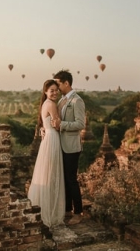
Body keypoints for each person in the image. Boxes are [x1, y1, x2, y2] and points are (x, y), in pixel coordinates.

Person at [27, 79, 66, 228]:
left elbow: (48, 123)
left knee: (47, 173)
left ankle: (45, 209)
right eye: (52, 90)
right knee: (52, 175)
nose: (55, 93)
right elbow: (57, 124)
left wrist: (45, 128)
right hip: (53, 139)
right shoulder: (51, 104)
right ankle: (50, 212)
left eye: (56, 90)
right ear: (45, 92)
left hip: (48, 139)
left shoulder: (45, 104)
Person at [54, 70, 85, 225]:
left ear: (66, 83)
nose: (57, 87)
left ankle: (78, 212)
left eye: (58, 83)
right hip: (61, 145)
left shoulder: (76, 100)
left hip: (72, 146)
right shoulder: (61, 101)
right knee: (64, 179)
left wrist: (62, 125)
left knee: (71, 180)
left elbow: (81, 124)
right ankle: (67, 209)